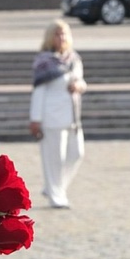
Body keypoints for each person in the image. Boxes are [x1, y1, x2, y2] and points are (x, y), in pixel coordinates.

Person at [29, 19, 86, 209]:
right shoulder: (44, 62)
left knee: (77, 153)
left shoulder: (74, 59)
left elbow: (82, 82)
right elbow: (39, 92)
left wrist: (78, 86)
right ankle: (56, 196)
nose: (61, 38)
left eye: (64, 34)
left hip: (73, 116)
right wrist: (35, 119)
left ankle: (54, 186)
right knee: (54, 159)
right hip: (50, 117)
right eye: (57, 34)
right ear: (50, 37)